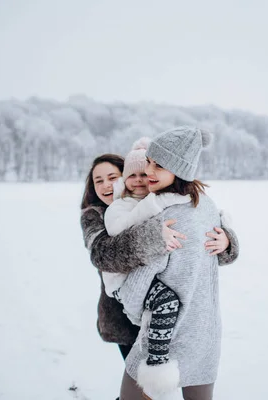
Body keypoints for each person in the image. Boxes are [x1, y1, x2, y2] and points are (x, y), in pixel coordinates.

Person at [79, 144, 239, 398]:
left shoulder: (153, 201)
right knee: (142, 387)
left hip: (164, 314)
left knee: (154, 383)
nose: (106, 185)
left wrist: (227, 241)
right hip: (123, 318)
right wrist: (153, 237)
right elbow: (103, 254)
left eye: (112, 177)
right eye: (99, 180)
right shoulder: (94, 214)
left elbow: (193, 240)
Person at [116, 126, 229, 399]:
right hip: (205, 332)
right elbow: (218, 247)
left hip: (165, 334)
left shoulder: (165, 216)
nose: (149, 172)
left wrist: (130, 307)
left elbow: (139, 282)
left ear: (178, 169)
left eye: (160, 165)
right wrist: (229, 241)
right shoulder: (207, 205)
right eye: (150, 162)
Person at [102, 137, 190, 378]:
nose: (139, 180)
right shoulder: (119, 206)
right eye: (132, 175)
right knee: (166, 302)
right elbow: (119, 231)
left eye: (144, 174)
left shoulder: (157, 201)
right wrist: (155, 202)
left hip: (150, 275)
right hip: (122, 284)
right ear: (124, 180)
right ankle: (156, 365)